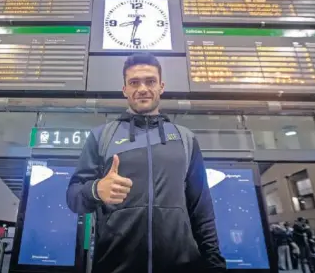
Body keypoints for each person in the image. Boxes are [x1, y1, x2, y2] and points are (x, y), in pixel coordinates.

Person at [67, 53, 226, 273]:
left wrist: (215, 264)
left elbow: (202, 211)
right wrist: (96, 190)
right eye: (134, 82)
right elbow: (73, 197)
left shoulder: (185, 139)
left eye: (150, 81)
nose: (142, 88)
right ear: (125, 90)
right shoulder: (101, 137)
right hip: (115, 266)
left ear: (161, 86)